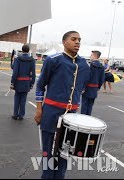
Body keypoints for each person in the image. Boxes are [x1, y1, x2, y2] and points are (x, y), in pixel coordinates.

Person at [34, 31, 90, 179]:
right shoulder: (53, 60)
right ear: (64, 42)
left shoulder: (84, 64)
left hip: (72, 117)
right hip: (51, 113)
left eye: (79, 40)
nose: (77, 42)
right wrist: (39, 110)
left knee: (65, 153)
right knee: (48, 154)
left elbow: (81, 89)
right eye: (73, 39)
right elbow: (40, 86)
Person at [10, 44, 36, 120]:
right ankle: (21, 115)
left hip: (18, 82)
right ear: (28, 51)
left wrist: (12, 82)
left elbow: (15, 72)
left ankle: (15, 114)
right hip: (26, 82)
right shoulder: (32, 60)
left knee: (17, 97)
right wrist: (32, 83)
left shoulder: (18, 59)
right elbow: (33, 73)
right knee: (23, 99)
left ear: (22, 50)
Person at [81, 51, 105, 115]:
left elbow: (86, 77)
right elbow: (102, 79)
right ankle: (88, 120)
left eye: (91, 55)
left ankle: (82, 121)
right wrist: (98, 87)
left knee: (84, 106)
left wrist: (83, 87)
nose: (90, 56)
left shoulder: (90, 65)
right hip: (94, 88)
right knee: (90, 106)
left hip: (87, 88)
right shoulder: (102, 66)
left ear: (94, 56)